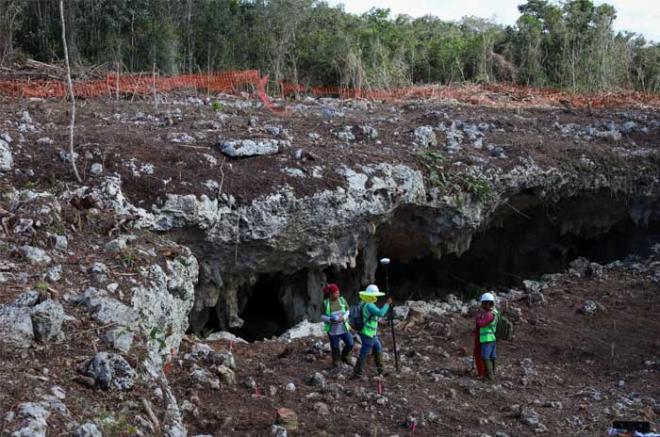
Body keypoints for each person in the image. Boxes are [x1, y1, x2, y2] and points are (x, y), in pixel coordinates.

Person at [352, 284, 392, 378]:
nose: (375, 297)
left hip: (368, 332)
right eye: (374, 295)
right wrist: (387, 304)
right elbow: (381, 313)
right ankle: (357, 373)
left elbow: (371, 316)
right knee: (364, 352)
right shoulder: (370, 305)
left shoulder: (363, 302)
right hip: (368, 333)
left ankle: (381, 370)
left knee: (377, 347)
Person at [320, 283, 354, 367]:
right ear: (331, 294)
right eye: (336, 293)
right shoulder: (326, 303)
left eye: (338, 292)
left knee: (350, 343)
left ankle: (345, 357)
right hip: (333, 330)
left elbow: (348, 311)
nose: (338, 294)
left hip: (343, 328)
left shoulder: (342, 300)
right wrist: (329, 319)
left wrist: (343, 317)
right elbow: (322, 316)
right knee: (335, 347)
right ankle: (336, 361)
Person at [475, 292, 499, 381]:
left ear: (487, 303)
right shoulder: (495, 312)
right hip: (492, 338)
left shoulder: (489, 314)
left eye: (483, 303)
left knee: (485, 357)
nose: (482, 305)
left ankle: (489, 377)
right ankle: (492, 374)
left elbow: (481, 324)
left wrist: (478, 318)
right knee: (492, 357)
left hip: (487, 339)